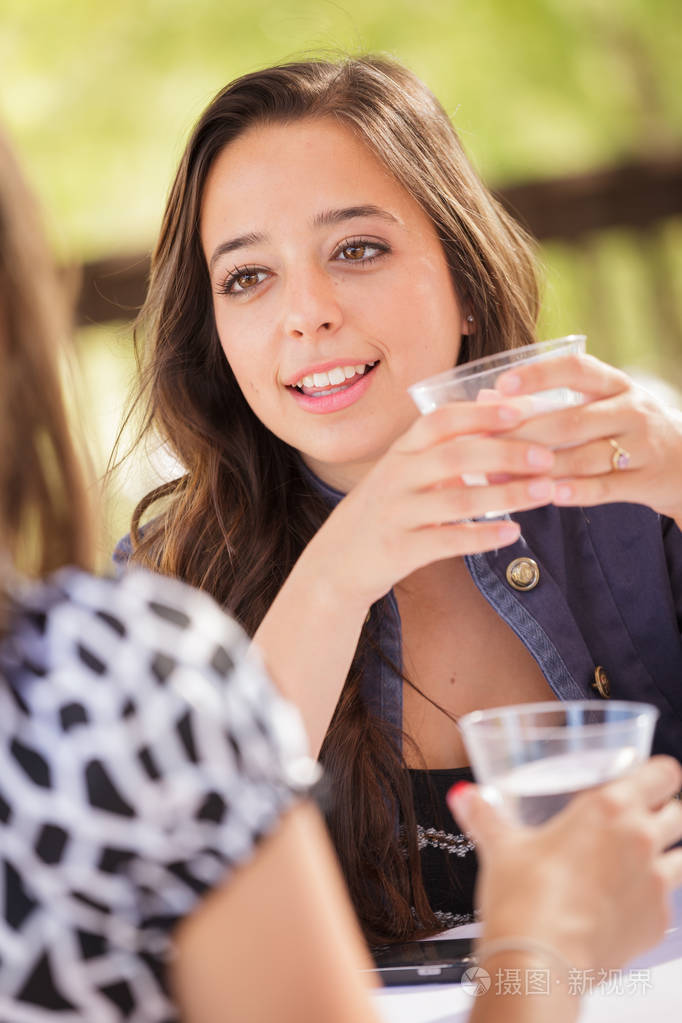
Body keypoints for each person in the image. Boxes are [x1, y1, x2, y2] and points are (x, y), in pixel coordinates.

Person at [1, 120, 682, 1023]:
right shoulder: (161, 598)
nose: (306, 310)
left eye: (357, 248)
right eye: (247, 276)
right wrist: (339, 570)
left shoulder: (638, 501)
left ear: (466, 285)